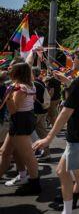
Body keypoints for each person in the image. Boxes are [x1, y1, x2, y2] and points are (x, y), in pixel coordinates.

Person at [33, 47, 79, 214]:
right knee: (61, 171)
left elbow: (65, 112)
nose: (72, 60)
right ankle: (67, 210)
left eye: (75, 58)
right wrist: (68, 82)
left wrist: (48, 138)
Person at [0, 62, 41, 195]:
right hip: (23, 120)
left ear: (17, 73)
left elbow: (13, 110)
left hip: (20, 121)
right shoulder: (29, 84)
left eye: (11, 69)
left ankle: (35, 184)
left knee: (28, 155)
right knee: (5, 152)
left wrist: (8, 96)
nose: (8, 71)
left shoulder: (20, 88)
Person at [32, 67, 51, 161]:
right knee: (42, 132)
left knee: (29, 133)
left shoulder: (33, 84)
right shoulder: (40, 82)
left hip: (36, 111)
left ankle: (32, 154)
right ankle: (46, 153)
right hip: (42, 110)